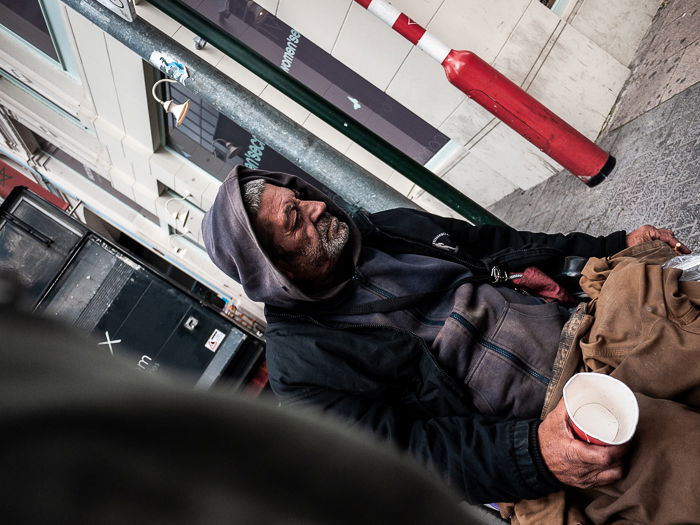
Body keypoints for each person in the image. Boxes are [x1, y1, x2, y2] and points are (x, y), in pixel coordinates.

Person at [201, 166, 690, 507]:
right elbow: (407, 458)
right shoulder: (302, 366)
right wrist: (537, 453)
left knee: (675, 301)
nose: (316, 207)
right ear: (270, 267)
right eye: (294, 218)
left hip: (585, 333)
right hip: (550, 424)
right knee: (682, 468)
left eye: (301, 197)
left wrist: (610, 245)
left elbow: (501, 243)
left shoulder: (389, 229)